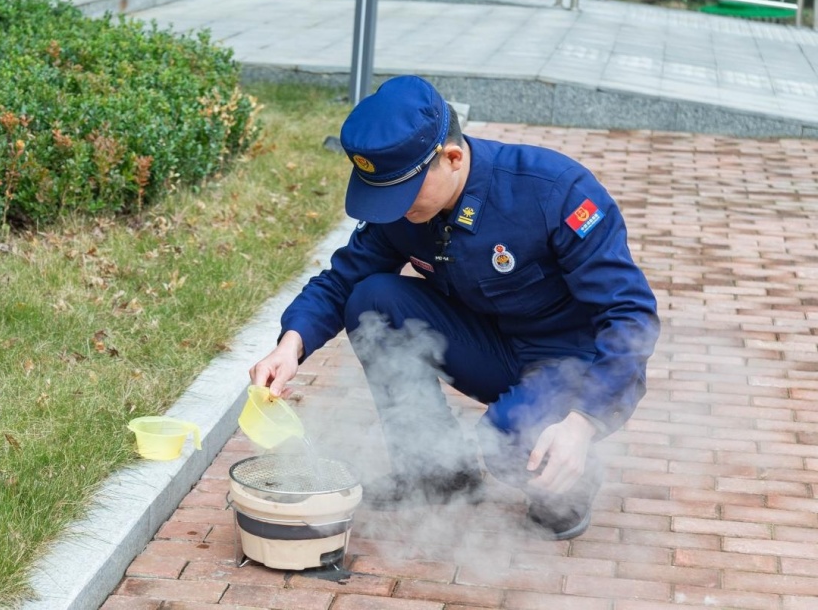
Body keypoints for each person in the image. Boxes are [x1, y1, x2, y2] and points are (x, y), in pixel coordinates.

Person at [248, 75, 660, 541]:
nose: (395, 211)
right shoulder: (404, 212)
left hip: (572, 364)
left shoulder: (553, 191)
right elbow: (342, 280)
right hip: (495, 348)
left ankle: (569, 483)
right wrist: (290, 346)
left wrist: (583, 422)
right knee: (372, 299)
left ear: (453, 158)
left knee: (508, 440)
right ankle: (436, 474)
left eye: (402, 195)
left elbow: (632, 317)